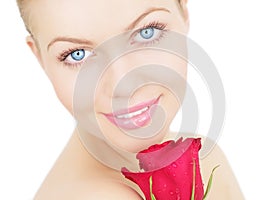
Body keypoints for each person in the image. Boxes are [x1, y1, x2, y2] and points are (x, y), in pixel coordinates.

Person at [17, 0, 244, 199]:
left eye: (147, 32)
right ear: (39, 58)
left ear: (184, 11)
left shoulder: (206, 158)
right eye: (78, 54)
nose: (123, 86)